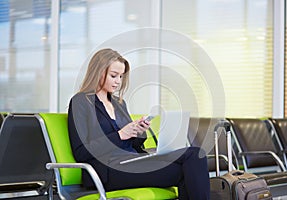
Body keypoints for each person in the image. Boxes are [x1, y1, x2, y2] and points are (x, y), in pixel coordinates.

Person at [68, 48, 210, 200]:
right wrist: (120, 135)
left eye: (121, 76)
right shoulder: (81, 101)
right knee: (189, 168)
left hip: (131, 160)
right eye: (113, 75)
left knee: (194, 155)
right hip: (108, 169)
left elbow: (135, 145)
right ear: (98, 72)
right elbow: (81, 152)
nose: (118, 81)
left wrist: (139, 131)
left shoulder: (119, 103)